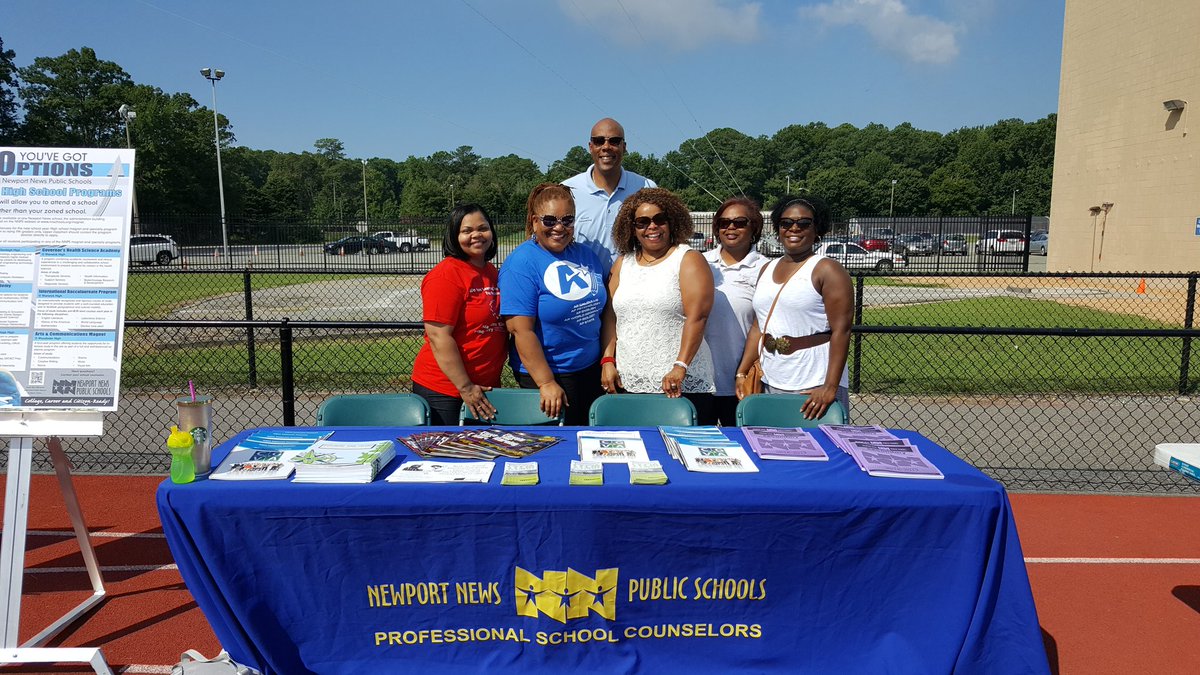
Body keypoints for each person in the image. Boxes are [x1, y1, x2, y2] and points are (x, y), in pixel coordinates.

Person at [601, 188, 716, 423]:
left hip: (679, 382)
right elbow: (611, 316)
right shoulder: (623, 263)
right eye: (642, 222)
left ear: (671, 222)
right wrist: (607, 360)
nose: (651, 227)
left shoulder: (688, 259)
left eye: (659, 219)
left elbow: (698, 317)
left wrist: (680, 366)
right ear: (632, 228)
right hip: (629, 380)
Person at [499, 183, 608, 425]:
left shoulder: (586, 255)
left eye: (567, 220)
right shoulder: (521, 263)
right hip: (549, 375)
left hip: (590, 370)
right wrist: (546, 382)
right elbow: (520, 330)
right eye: (549, 220)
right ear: (535, 222)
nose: (559, 227)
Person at [735, 196, 852, 420]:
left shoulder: (827, 269)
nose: (794, 228)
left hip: (814, 383)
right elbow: (759, 326)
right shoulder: (766, 269)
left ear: (817, 229)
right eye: (786, 223)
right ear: (778, 229)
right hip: (771, 378)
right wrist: (742, 372)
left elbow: (842, 330)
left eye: (804, 223)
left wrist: (830, 386)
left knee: (818, 442)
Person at [411, 204, 507, 425]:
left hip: (484, 387)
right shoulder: (445, 275)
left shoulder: (491, 272)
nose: (476, 235)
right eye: (467, 231)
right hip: (446, 390)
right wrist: (465, 387)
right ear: (455, 236)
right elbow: (438, 336)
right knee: (451, 447)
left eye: (483, 228)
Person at [703, 197, 767, 426]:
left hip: (741, 379)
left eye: (740, 222)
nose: (731, 227)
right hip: (700, 380)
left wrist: (743, 371)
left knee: (743, 442)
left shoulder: (765, 268)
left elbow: (763, 325)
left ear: (754, 228)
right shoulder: (700, 263)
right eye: (724, 222)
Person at [562, 118, 657, 268]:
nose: (606, 147)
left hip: (633, 280)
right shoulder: (567, 190)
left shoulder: (646, 187)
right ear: (590, 146)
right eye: (599, 141)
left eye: (614, 141)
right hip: (582, 280)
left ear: (624, 147)